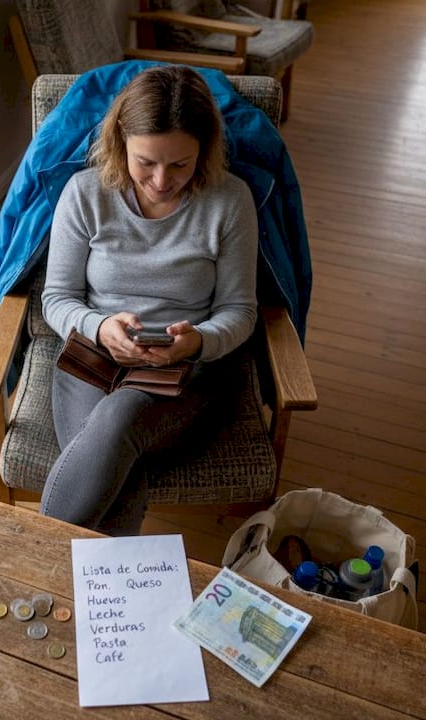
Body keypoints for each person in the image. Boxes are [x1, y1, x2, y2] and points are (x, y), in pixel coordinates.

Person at [39, 65, 259, 536]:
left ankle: (34, 558)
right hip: (93, 356)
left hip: (188, 371)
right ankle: (118, 604)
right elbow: (56, 297)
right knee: (111, 463)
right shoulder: (85, 194)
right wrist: (99, 328)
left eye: (180, 164)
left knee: (117, 418)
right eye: (146, 163)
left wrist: (197, 340)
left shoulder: (229, 202)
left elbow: (240, 313)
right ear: (121, 142)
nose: (161, 180)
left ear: (204, 150)